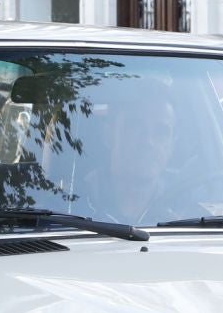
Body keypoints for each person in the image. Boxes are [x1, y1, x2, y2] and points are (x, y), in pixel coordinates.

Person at [75, 83, 178, 225]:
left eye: (161, 131)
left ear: (172, 146)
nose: (148, 142)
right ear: (109, 135)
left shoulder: (188, 211)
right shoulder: (70, 206)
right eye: (135, 126)